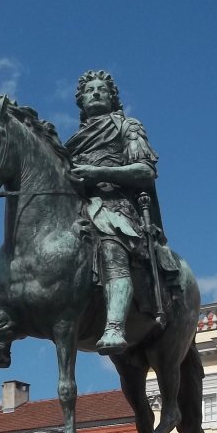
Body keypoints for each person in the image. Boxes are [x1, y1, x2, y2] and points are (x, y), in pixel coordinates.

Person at [66, 70, 177, 355]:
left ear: (112, 97)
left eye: (101, 89)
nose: (95, 93)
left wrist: (97, 172)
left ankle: (114, 325)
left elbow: (145, 171)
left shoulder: (128, 127)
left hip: (116, 208)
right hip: (78, 211)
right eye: (89, 90)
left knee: (111, 246)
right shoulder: (72, 141)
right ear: (80, 101)